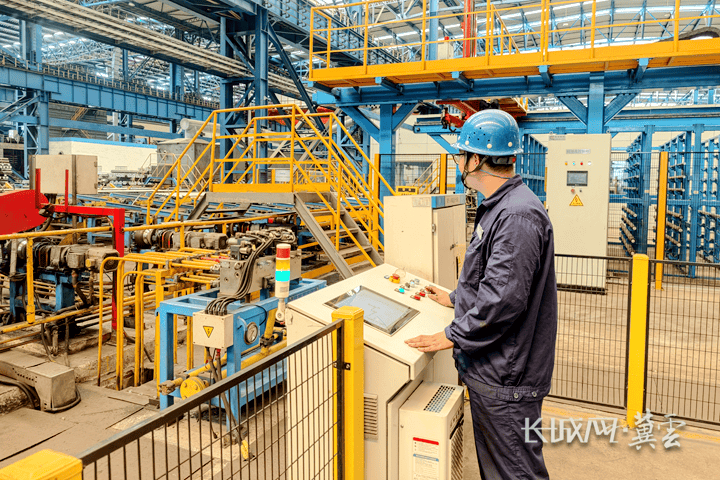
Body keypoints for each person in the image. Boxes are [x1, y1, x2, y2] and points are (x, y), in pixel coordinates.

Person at [405, 109, 557, 480]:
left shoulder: (516, 216)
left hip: (507, 378)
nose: (459, 161)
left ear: (476, 160)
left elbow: (503, 300)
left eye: (461, 154)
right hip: (498, 371)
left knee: (515, 471)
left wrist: (452, 335)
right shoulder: (503, 207)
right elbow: (493, 277)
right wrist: (455, 298)